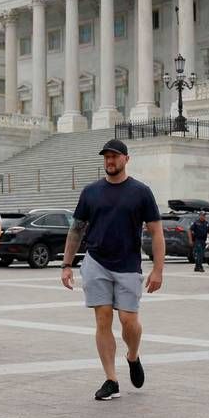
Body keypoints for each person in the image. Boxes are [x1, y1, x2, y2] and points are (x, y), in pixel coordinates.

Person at [61, 138, 165, 401]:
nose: (110, 161)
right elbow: (76, 229)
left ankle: (132, 355)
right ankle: (111, 379)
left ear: (126, 159)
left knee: (129, 322)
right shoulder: (90, 192)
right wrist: (66, 264)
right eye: (106, 156)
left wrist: (158, 270)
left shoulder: (141, 192)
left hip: (128, 265)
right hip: (96, 262)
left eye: (115, 156)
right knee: (103, 318)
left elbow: (156, 232)